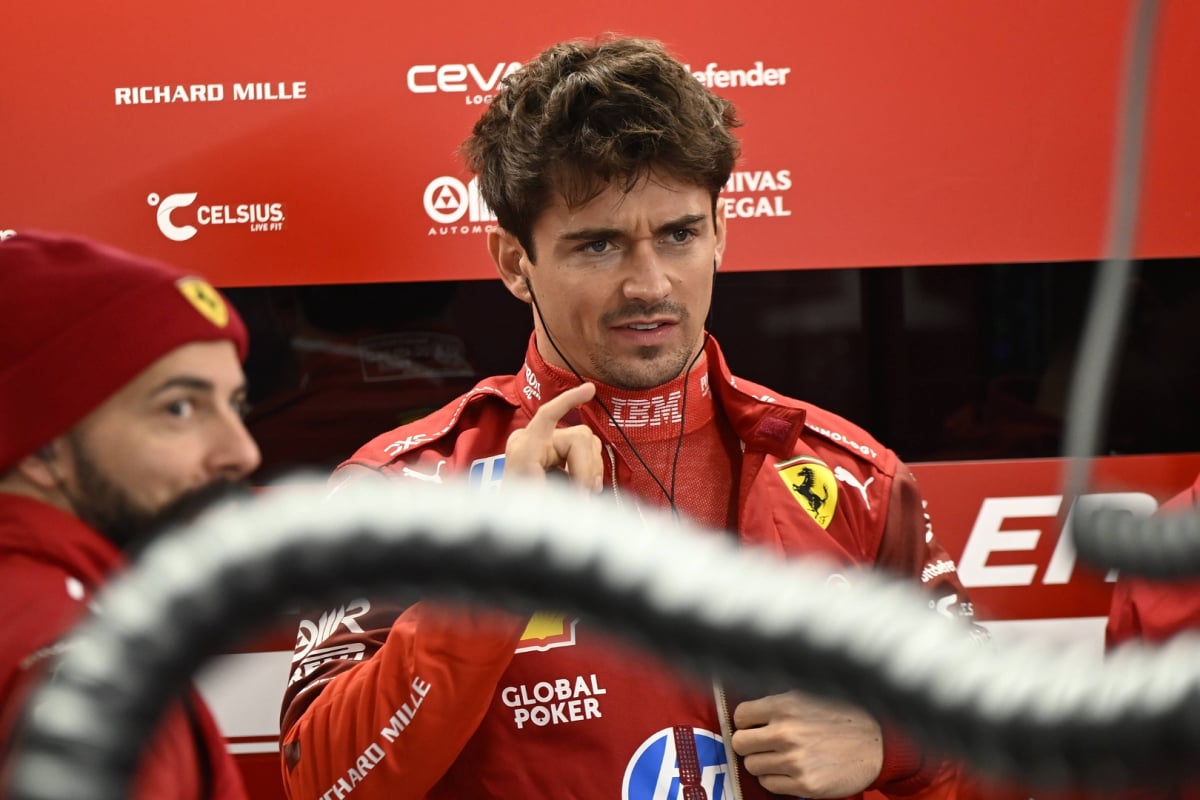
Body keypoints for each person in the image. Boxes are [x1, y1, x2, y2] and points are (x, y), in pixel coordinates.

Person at [279, 35, 983, 800]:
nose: (649, 284)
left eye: (679, 234)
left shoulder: (855, 479)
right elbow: (323, 783)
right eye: (598, 245)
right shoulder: (403, 487)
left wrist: (890, 744)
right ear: (514, 262)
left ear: (721, 232)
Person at [0, 231, 261, 799]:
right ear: (46, 447)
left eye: (236, 405)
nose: (242, 451)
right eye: (180, 408)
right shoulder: (84, 668)